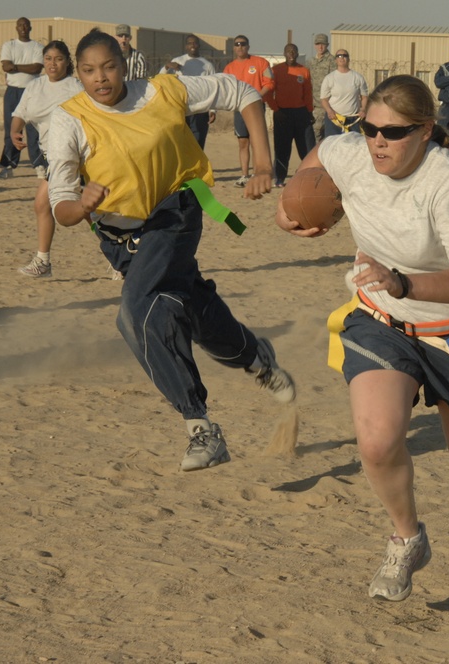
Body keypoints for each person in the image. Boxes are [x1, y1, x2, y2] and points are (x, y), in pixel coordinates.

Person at [276, 75, 449, 602]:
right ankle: (407, 538)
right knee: (377, 440)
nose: (377, 142)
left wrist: (402, 280)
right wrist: (295, 202)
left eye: (393, 132)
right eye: (369, 128)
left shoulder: (447, 180)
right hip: (381, 320)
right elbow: (322, 152)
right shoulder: (354, 152)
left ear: (426, 130)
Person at [47, 28, 295, 472]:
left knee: (136, 310)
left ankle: (200, 426)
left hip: (175, 211)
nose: (100, 78)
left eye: (108, 67)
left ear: (123, 66)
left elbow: (243, 92)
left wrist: (262, 164)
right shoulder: (68, 120)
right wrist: (80, 205)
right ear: (76, 73)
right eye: (88, 70)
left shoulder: (164, 90)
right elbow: (61, 207)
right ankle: (255, 357)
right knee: (188, 307)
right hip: (119, 240)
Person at [11, 41, 84, 277]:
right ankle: (43, 262)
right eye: (49, 58)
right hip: (46, 154)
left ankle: (43, 261)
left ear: (67, 62)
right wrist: (15, 131)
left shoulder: (76, 87)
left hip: (70, 153)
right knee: (86, 209)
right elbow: (20, 113)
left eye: (58, 58)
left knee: (45, 204)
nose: (53, 63)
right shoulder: (35, 86)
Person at [223, 35, 273, 187]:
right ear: (233, 48)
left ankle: (258, 173)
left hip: (256, 108)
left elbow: (269, 83)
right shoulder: (229, 68)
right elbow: (225, 88)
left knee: (256, 141)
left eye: (243, 44)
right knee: (243, 142)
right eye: (237, 44)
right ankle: (244, 175)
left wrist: (256, 97)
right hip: (239, 109)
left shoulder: (260, 63)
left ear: (248, 46)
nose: (240, 47)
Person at [0, 17, 44, 179]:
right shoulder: (9, 45)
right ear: (16, 28)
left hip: (32, 92)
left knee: (34, 130)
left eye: (26, 25)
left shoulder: (38, 47)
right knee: (12, 129)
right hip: (13, 92)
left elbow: (36, 68)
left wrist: (15, 67)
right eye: (20, 25)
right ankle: (8, 165)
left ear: (30, 28)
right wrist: (23, 68)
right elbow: (5, 66)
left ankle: (39, 165)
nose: (23, 28)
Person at [269, 43, 315, 187]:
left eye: (294, 51)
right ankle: (280, 178)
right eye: (288, 51)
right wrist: (276, 109)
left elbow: (308, 93)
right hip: (282, 113)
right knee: (282, 148)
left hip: (301, 113)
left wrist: (309, 111)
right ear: (284, 53)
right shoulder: (276, 70)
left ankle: (310, 175)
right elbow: (269, 92)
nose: (291, 53)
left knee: (306, 147)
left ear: (297, 53)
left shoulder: (304, 71)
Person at [160, 34, 216, 149]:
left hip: (200, 108)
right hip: (181, 107)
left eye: (195, 43)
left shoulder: (208, 65)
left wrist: (213, 110)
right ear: (186, 46)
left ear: (199, 45)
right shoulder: (178, 61)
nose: (192, 45)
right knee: (180, 141)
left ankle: (198, 166)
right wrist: (167, 66)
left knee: (198, 141)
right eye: (190, 43)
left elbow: (213, 88)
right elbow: (160, 78)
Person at [320, 49, 368, 137]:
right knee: (333, 146)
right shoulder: (329, 78)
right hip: (334, 119)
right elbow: (324, 99)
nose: (342, 58)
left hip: (353, 120)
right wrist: (329, 111)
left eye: (344, 55)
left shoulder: (358, 77)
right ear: (336, 60)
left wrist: (363, 109)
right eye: (339, 56)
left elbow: (364, 97)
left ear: (348, 59)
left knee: (353, 146)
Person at [308, 33, 335, 141]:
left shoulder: (332, 61)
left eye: (323, 44)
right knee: (315, 135)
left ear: (327, 45)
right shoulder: (311, 62)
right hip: (314, 105)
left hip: (328, 105)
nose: (320, 47)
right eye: (318, 44)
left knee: (328, 136)